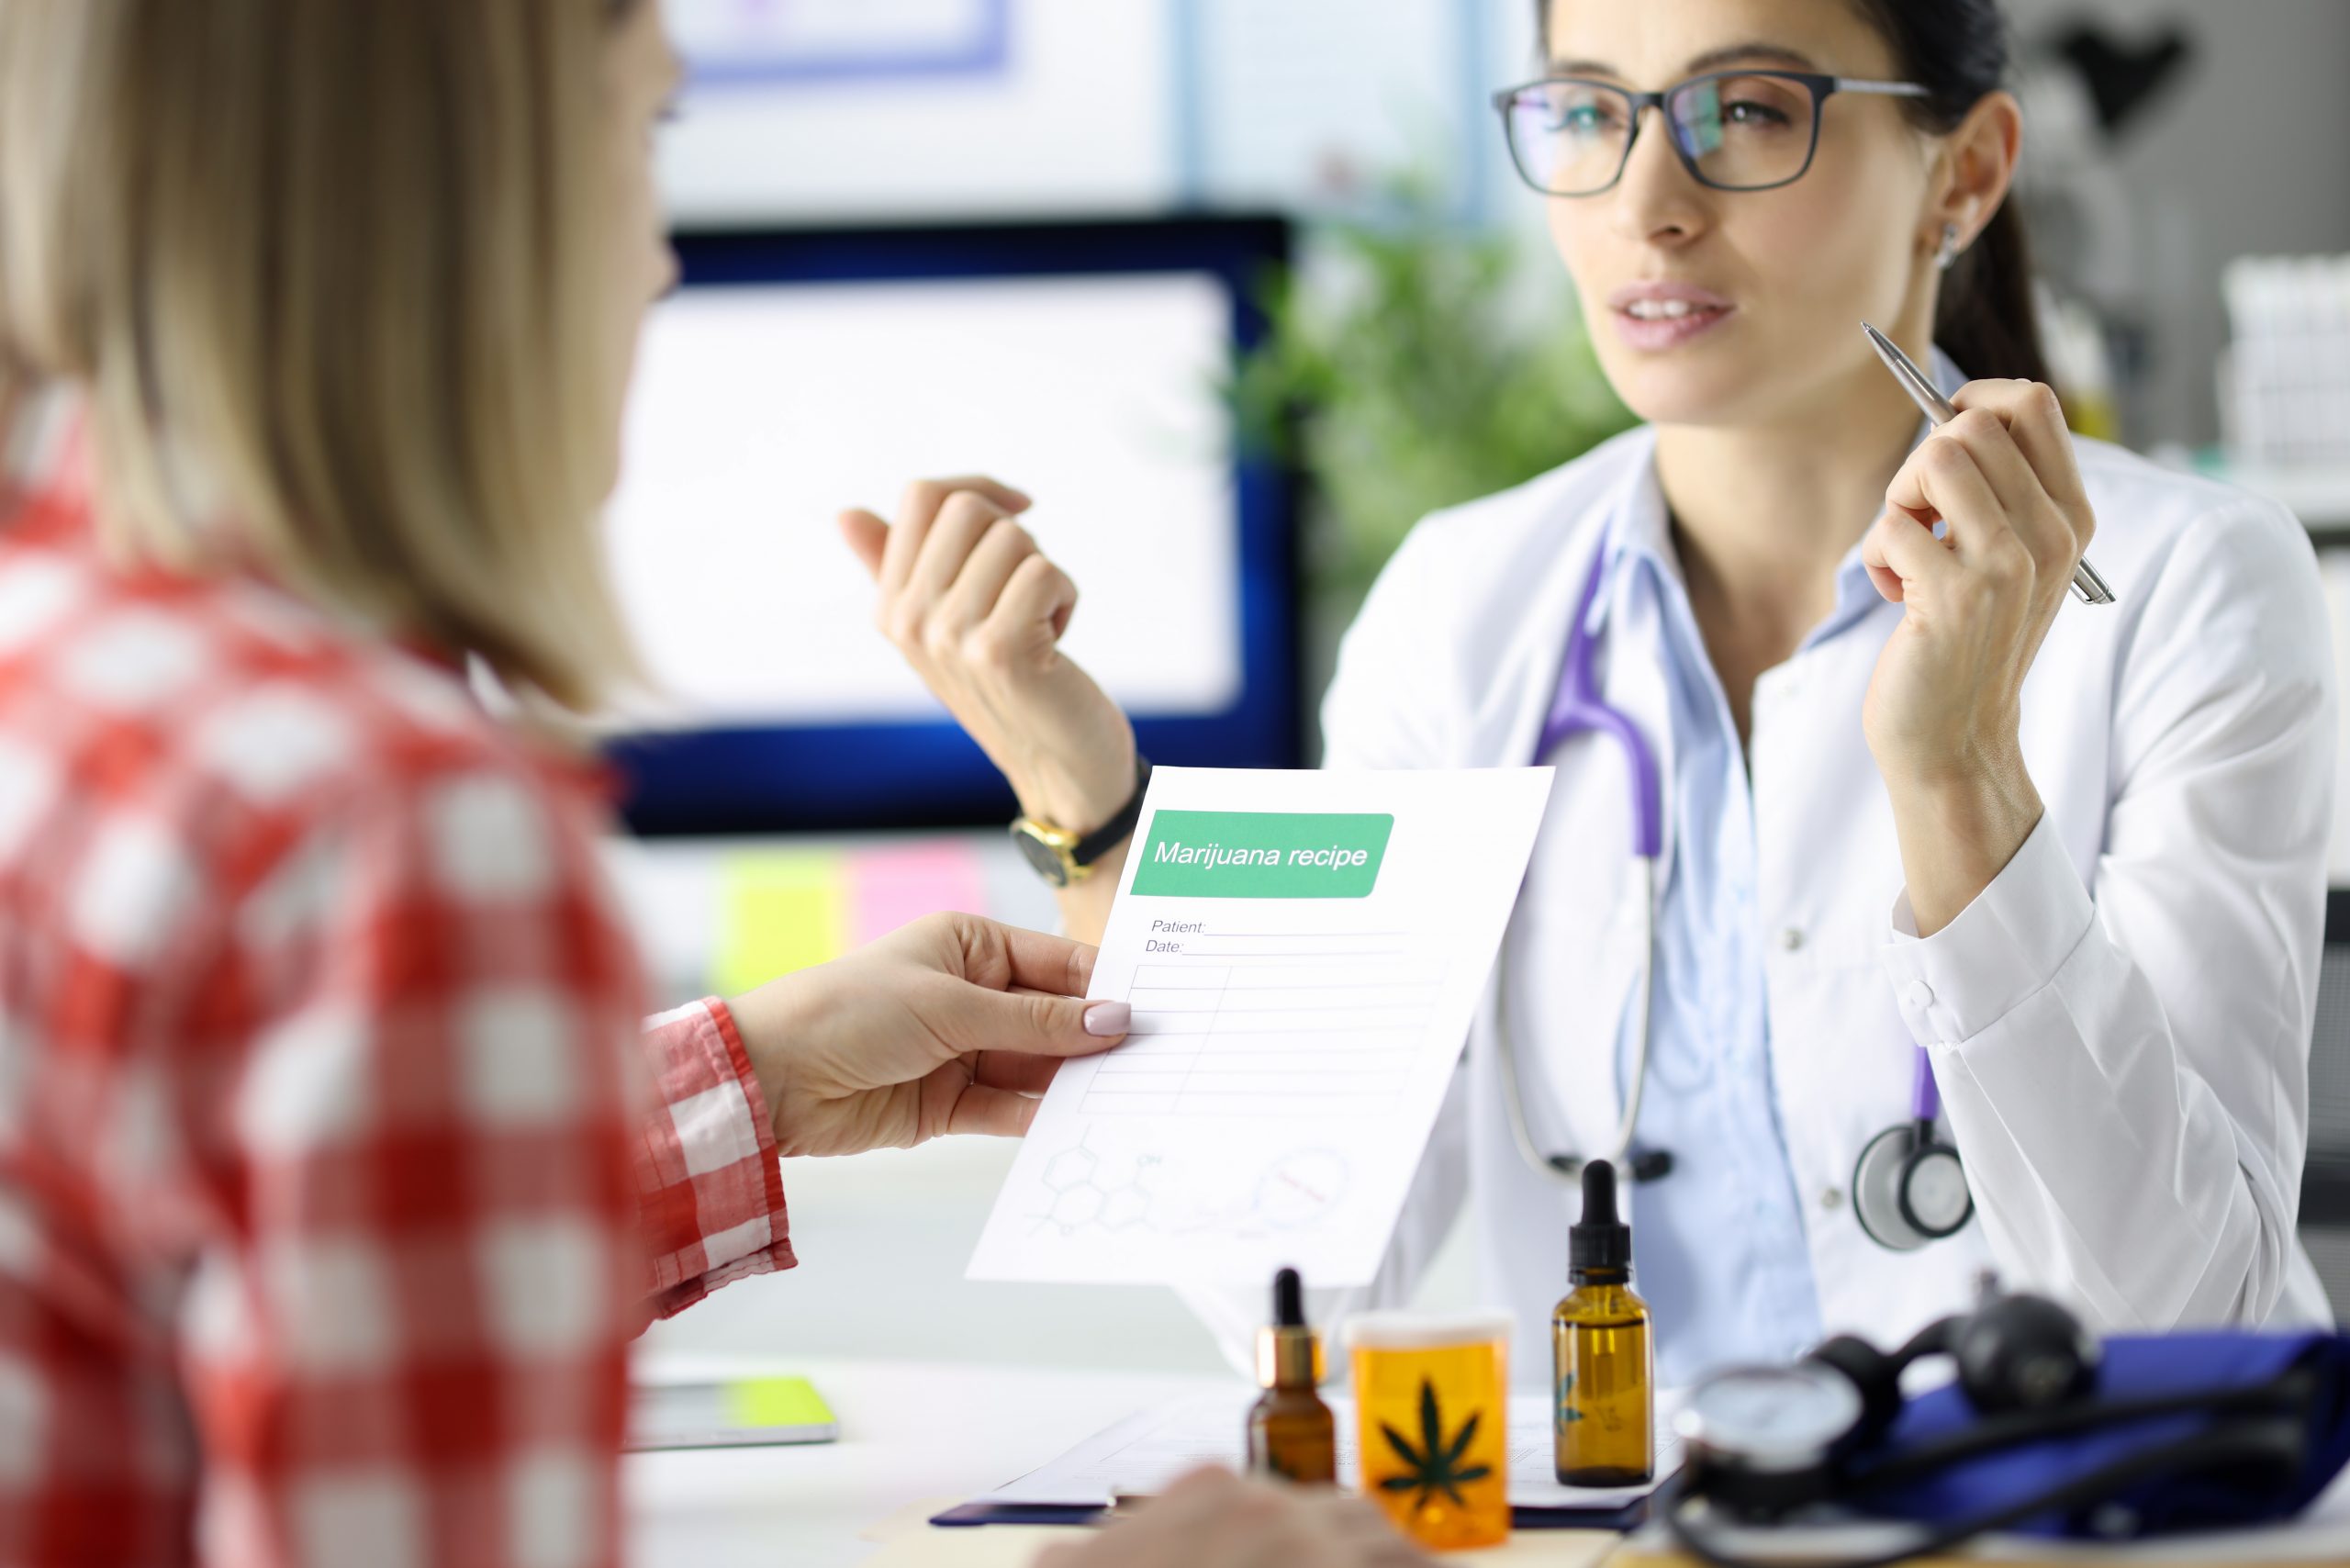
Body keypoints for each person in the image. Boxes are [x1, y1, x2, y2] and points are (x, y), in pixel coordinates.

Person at [0, 3, 1427, 1564]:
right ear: (474, 191)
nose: (662, 260)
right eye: (644, 134)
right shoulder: (390, 836)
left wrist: (750, 1083)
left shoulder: (61, 670)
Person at [854, 0, 2337, 1390]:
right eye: (1586, 116)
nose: (1646, 203)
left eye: (1748, 112)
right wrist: (1093, 809)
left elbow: (2190, 1324)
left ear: (1964, 174)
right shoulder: (1460, 608)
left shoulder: (2193, 588)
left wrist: (1961, 785)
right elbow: (1280, 1288)